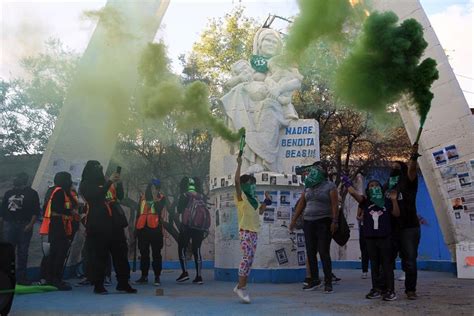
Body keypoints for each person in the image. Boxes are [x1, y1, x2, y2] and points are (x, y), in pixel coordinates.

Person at [222, 28, 302, 172]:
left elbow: (296, 81)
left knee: (267, 108)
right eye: (267, 40)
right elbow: (229, 85)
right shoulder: (249, 64)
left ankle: (265, 162)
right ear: (259, 43)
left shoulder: (282, 63)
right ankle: (251, 158)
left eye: (274, 41)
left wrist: (278, 89)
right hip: (248, 101)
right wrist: (242, 79)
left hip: (273, 99)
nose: (271, 44)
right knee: (239, 92)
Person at [79, 160, 136, 295]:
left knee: (121, 254)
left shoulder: (107, 182)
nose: (99, 169)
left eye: (100, 166)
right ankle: (98, 285)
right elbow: (96, 195)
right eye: (96, 167)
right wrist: (109, 182)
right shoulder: (86, 184)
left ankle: (123, 283)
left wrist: (119, 183)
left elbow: (120, 197)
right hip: (98, 224)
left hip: (115, 223)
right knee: (99, 256)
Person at [345, 179, 400, 301]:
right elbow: (353, 193)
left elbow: (396, 214)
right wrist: (347, 183)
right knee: (374, 265)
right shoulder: (366, 201)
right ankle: (376, 289)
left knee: (387, 265)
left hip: (385, 236)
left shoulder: (386, 201)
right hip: (370, 237)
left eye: (376, 185)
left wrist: (394, 200)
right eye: (371, 186)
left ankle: (391, 290)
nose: (374, 187)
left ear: (381, 188)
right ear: (368, 189)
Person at [289, 163, 338, 293]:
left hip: (324, 222)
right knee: (310, 252)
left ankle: (328, 282)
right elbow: (301, 203)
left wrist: (334, 221)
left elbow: (334, 205)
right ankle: (315, 280)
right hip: (308, 222)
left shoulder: (330, 186)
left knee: (323, 252)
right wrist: (294, 219)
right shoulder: (308, 187)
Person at [385, 144, 421, 300]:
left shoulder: (409, 182)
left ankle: (410, 290)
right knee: (386, 261)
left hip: (409, 227)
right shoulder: (387, 186)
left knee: (410, 261)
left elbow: (412, 170)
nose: (393, 168)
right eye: (391, 167)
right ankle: (385, 289)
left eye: (396, 167)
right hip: (391, 228)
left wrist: (413, 157)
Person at [233, 155, 270, 303]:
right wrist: (239, 164)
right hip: (245, 231)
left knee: (250, 260)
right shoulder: (241, 197)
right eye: (250, 183)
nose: (252, 186)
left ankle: (240, 286)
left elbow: (260, 211)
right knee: (246, 258)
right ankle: (241, 288)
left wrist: (267, 201)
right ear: (244, 186)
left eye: (253, 183)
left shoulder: (254, 199)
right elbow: (236, 181)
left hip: (254, 232)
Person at [0, 172, 40, 285]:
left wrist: (30, 225)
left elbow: (35, 211)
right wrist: (2, 226)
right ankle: (6, 278)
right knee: (8, 252)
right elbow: (2, 212)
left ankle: (21, 278)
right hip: (9, 224)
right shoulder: (9, 193)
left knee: (23, 252)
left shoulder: (32, 193)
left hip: (24, 224)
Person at [40, 172, 78, 290]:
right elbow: (57, 208)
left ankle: (49, 278)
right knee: (59, 254)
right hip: (58, 226)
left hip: (55, 226)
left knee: (52, 254)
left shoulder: (54, 190)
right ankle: (56, 280)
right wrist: (71, 212)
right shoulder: (60, 192)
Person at [134, 179, 165, 286]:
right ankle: (144, 276)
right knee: (144, 254)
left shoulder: (161, 197)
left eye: (155, 187)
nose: (152, 189)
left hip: (155, 229)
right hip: (142, 229)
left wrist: (155, 198)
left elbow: (158, 209)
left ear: (158, 188)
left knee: (156, 254)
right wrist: (135, 230)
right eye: (150, 187)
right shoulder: (142, 198)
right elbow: (138, 214)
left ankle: (157, 276)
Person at [176, 177, 207, 284]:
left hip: (187, 227)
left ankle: (185, 273)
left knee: (182, 248)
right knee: (197, 250)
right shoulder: (201, 196)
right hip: (199, 228)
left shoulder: (184, 195)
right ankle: (199, 276)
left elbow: (179, 210)